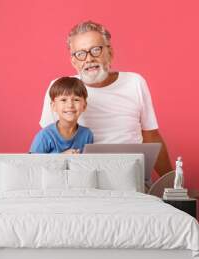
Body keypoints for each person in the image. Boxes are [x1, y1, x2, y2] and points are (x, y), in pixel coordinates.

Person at [39, 20, 172, 175]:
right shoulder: (59, 89)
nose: (89, 59)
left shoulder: (135, 82)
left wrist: (173, 184)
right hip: (80, 177)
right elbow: (46, 144)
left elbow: (151, 137)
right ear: (73, 61)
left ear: (110, 52)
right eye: (80, 54)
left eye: (96, 50)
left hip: (131, 175)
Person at [30, 77, 93, 154]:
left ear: (84, 106)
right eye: (63, 100)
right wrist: (62, 156)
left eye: (76, 100)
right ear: (54, 106)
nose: (70, 105)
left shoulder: (87, 134)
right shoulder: (45, 136)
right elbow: (32, 163)